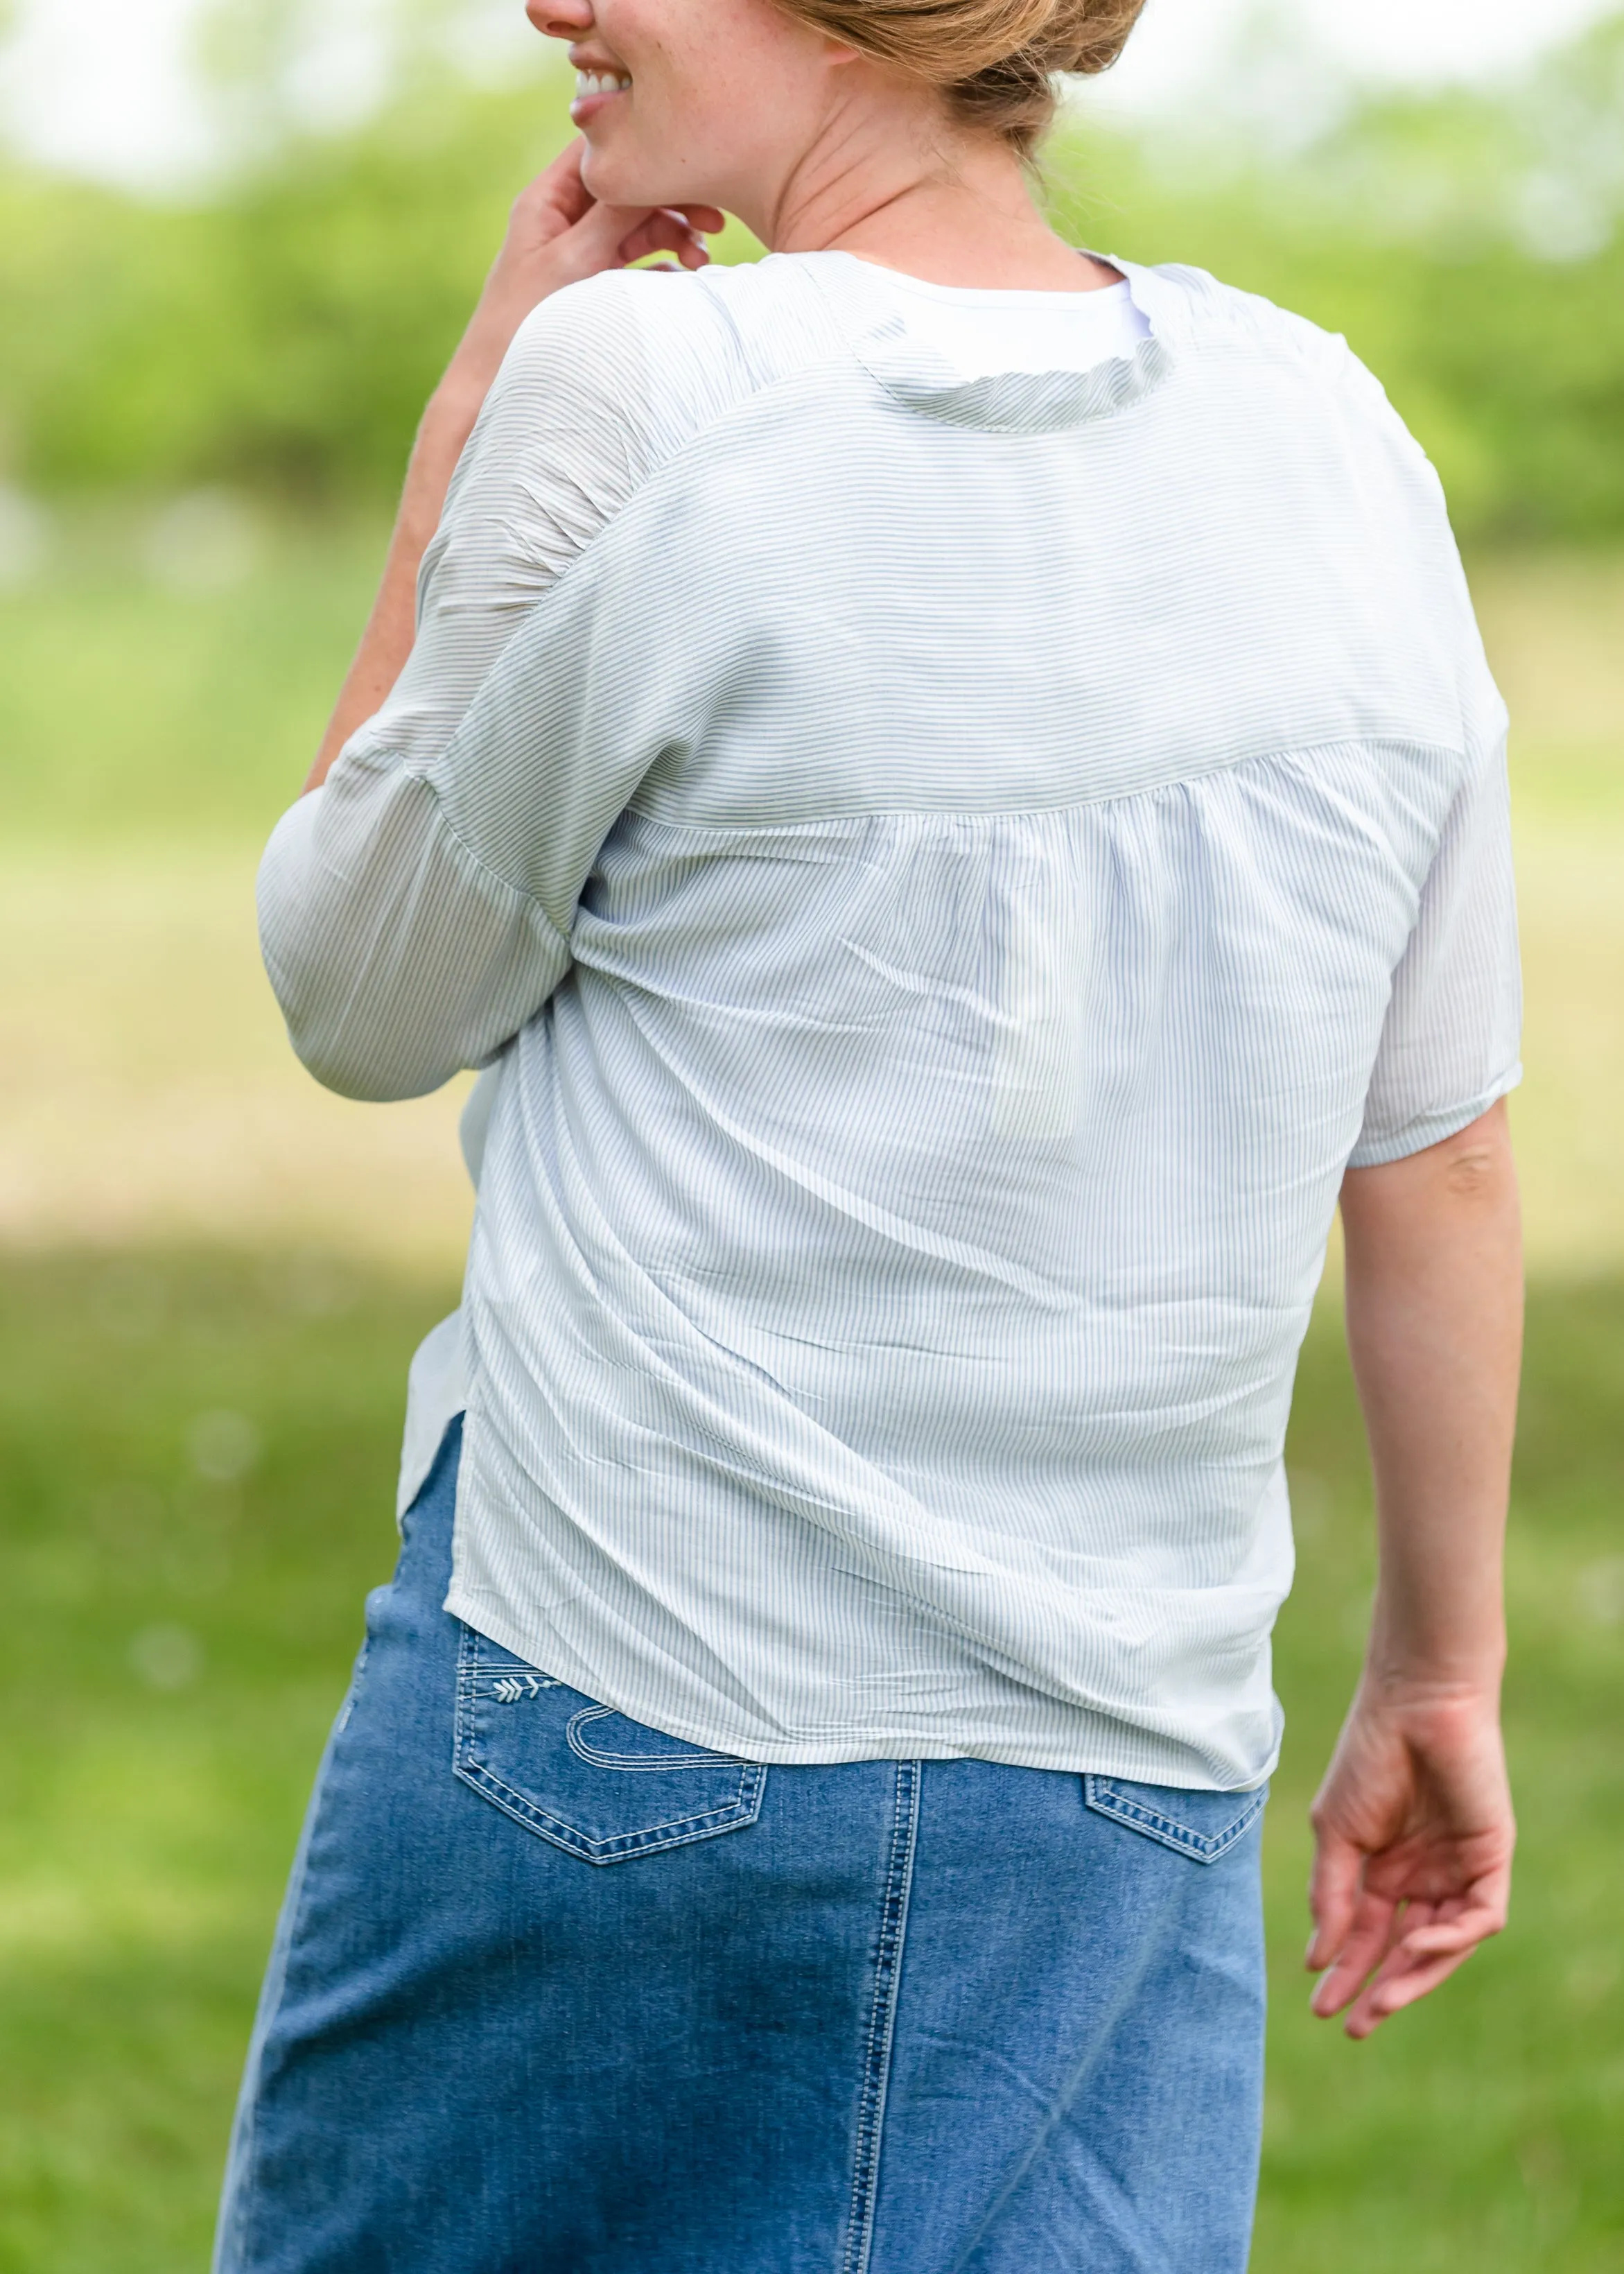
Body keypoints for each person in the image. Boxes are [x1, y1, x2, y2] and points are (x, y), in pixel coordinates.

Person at [222, 0, 1523, 2265]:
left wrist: (461, 437)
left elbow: (359, 989)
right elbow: (1432, 1148)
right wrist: (1435, 1672)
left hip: (623, 1700)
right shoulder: (1331, 428)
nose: (555, 8)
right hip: (1132, 1764)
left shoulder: (644, 391)